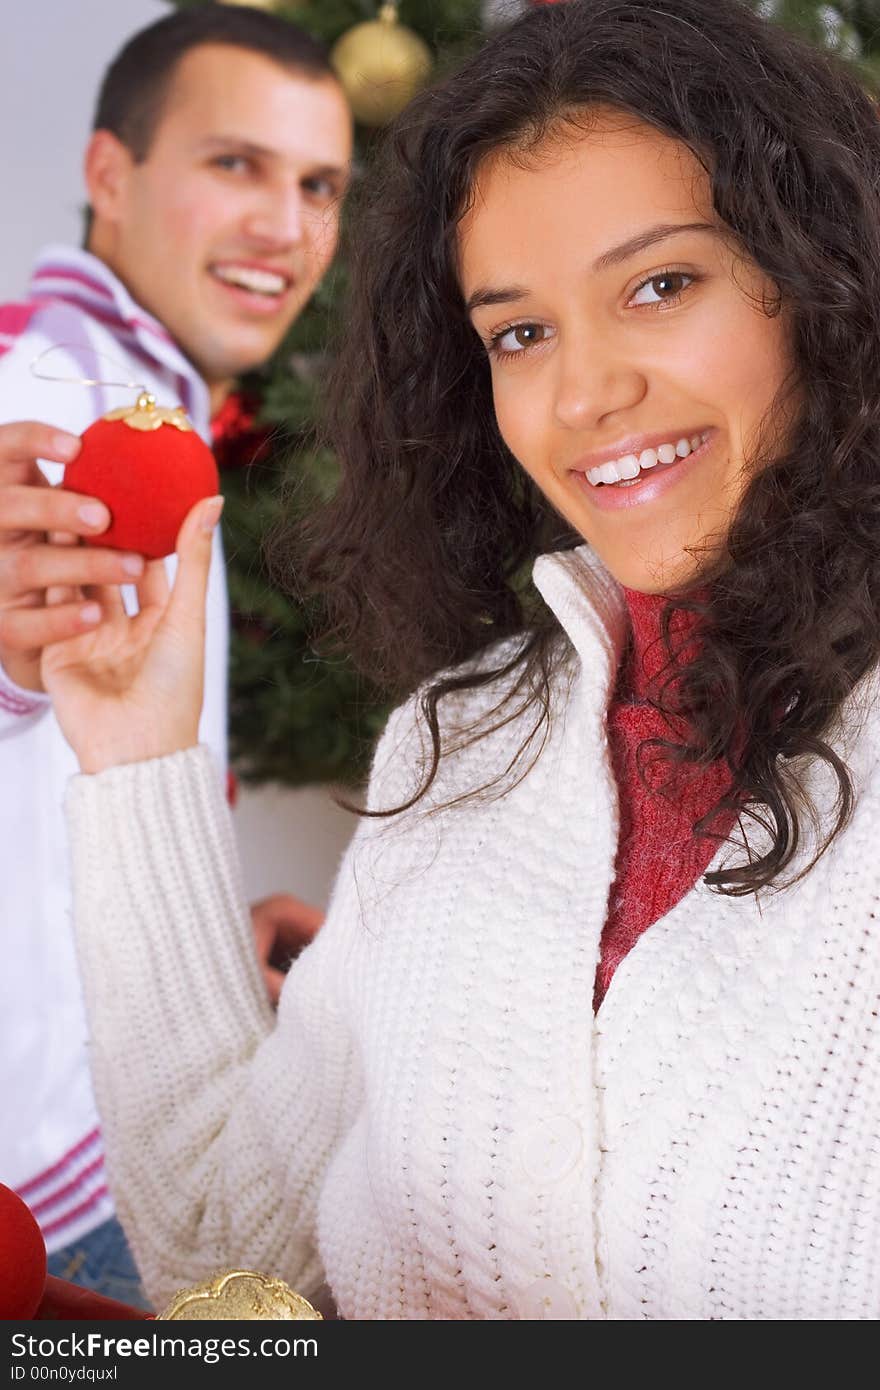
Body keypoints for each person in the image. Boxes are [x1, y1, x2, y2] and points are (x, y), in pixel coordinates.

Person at [19, 0, 880, 1318]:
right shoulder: (464, 742)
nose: (583, 394)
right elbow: (223, 1262)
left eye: (660, 284)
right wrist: (137, 760)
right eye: (519, 332)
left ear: (819, 282)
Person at [0, 5, 351, 1306]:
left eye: (318, 185)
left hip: (121, 1129)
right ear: (109, 175)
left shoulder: (147, 404)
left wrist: (204, 950)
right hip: (69, 1197)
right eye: (236, 164)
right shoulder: (46, 396)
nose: (288, 224)